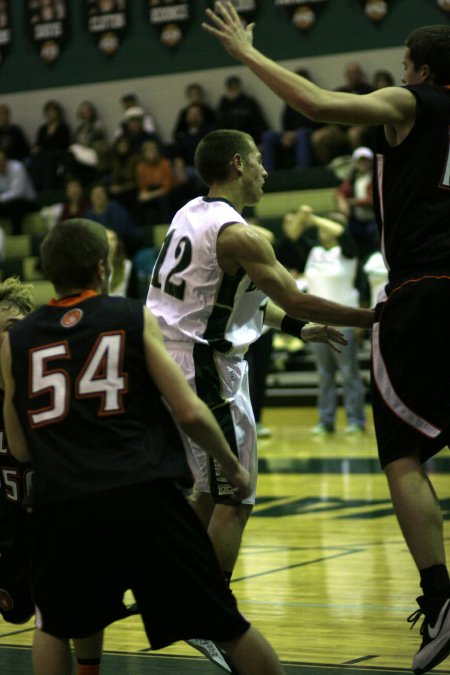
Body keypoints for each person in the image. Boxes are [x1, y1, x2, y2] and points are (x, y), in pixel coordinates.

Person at [202, 8, 450, 673]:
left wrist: (249, 54)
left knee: (404, 457)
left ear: (422, 71)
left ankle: (441, 596)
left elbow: (316, 104)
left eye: (405, 65)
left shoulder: (415, 101)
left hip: (425, 286)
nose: (399, 74)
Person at [1, 217, 286, 675]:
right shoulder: (131, 316)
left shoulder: (18, 339)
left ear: (48, 271)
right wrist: (232, 467)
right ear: (102, 268)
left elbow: (19, 448)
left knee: (52, 624)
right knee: (225, 622)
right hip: (140, 493)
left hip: (63, 503)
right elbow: (190, 411)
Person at [146, 128, 373, 592]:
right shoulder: (239, 235)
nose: (265, 170)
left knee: (209, 492)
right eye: (258, 160)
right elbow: (298, 298)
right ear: (237, 165)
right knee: (238, 496)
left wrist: (295, 328)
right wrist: (373, 317)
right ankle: (206, 607)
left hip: (173, 360)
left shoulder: (188, 213)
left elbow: (235, 301)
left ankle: (172, 585)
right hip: (205, 369)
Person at [299, 207, 366, 434]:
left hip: (344, 321)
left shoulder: (348, 251)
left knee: (348, 373)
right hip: (317, 323)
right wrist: (301, 219)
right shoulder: (314, 252)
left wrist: (314, 218)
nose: (322, 231)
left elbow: (341, 232)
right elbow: (292, 238)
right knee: (324, 374)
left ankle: (356, 421)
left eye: (325, 227)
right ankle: (326, 421)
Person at [335, 146, 379, 305]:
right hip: (357, 222)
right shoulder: (353, 177)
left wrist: (351, 202)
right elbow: (340, 192)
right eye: (360, 161)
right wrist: (342, 202)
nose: (363, 164)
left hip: (373, 222)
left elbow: (373, 199)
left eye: (366, 160)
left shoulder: (376, 176)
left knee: (372, 253)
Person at [216, 75, 269, 145]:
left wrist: (260, 142)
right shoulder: (223, 104)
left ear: (239, 87)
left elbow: (259, 123)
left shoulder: (249, 102)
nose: (233, 90)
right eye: (231, 88)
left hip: (249, 140)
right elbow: (219, 125)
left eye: (235, 87)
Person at [0, 149, 38, 235]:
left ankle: (17, 234)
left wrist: (1, 198)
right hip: (6, 203)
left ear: (6, 159)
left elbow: (17, 192)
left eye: (1, 160)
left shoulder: (17, 167)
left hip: (27, 202)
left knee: (15, 204)